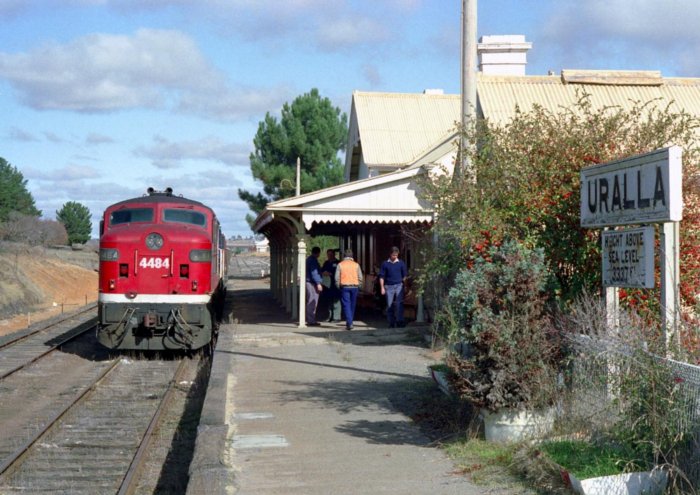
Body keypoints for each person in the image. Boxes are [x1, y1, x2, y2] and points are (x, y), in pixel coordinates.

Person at [378, 246, 408, 328]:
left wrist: (405, 286)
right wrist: (382, 287)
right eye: (393, 255)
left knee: (399, 304)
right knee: (389, 305)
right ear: (390, 254)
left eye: (396, 255)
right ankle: (391, 322)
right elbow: (381, 276)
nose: (395, 257)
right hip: (388, 286)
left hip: (399, 285)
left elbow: (405, 276)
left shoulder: (401, 263)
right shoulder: (385, 264)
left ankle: (399, 321)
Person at [334, 249, 363, 330]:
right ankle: (350, 322)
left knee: (346, 305)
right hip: (355, 287)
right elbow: (360, 277)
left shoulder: (340, 265)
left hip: (345, 287)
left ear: (344, 256)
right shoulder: (356, 265)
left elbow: (337, 277)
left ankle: (349, 323)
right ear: (352, 256)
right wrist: (359, 285)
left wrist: (338, 286)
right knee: (352, 305)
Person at [321, 249, 341, 322]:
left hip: (335, 284)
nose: (329, 256)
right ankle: (330, 316)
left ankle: (337, 317)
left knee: (336, 300)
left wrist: (332, 274)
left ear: (334, 254)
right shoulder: (326, 263)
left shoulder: (338, 263)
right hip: (327, 285)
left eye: (331, 254)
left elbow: (339, 273)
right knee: (329, 301)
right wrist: (324, 272)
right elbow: (322, 270)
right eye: (328, 254)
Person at [305, 246, 323, 326]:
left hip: (309, 282)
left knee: (311, 300)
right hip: (312, 283)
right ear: (318, 253)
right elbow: (314, 273)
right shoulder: (313, 261)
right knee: (312, 301)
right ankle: (311, 320)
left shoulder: (309, 259)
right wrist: (318, 283)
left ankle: (311, 319)